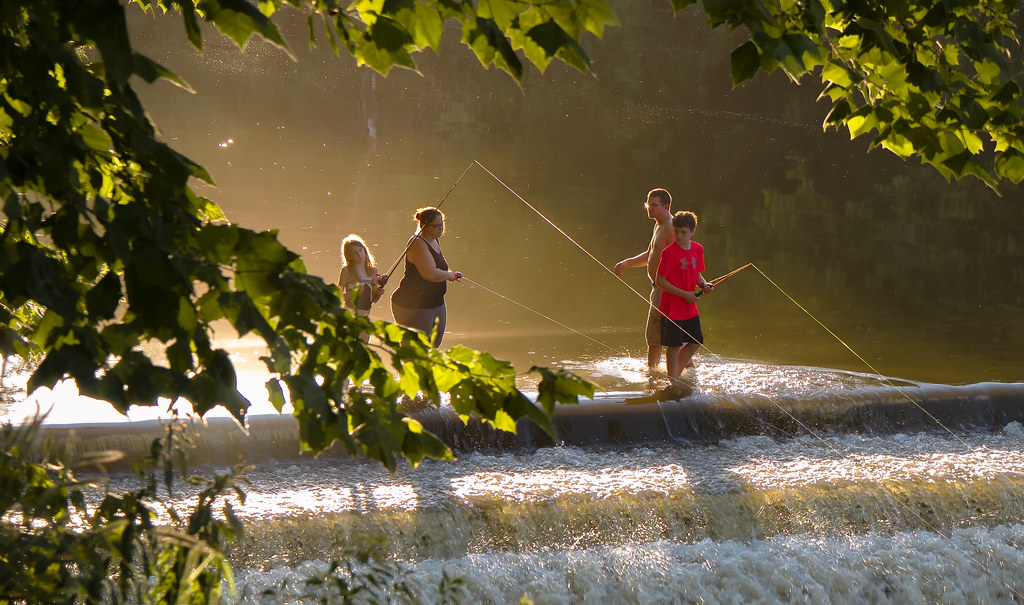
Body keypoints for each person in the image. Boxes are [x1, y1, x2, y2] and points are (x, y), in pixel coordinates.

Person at [613, 188, 675, 372]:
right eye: (648, 204)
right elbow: (650, 254)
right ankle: (654, 374)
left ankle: (656, 376)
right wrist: (627, 263)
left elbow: (682, 257)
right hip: (658, 289)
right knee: (657, 339)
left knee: (666, 339)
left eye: (654, 205)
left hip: (667, 291)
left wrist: (696, 284)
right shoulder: (658, 225)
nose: (650, 208)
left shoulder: (670, 227)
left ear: (666, 206)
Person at [390, 206, 461, 347]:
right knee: (416, 352)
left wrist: (451, 274)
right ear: (424, 226)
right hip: (414, 305)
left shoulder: (435, 240)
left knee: (432, 350)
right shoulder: (417, 243)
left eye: (442, 224)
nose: (441, 228)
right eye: (436, 226)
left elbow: (440, 266)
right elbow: (430, 273)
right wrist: (449, 275)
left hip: (436, 303)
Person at [655, 210, 712, 381]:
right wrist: (684, 294)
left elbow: (696, 275)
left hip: (689, 306)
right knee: (673, 345)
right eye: (677, 231)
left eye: (683, 232)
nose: (679, 236)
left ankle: (675, 375)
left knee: (696, 340)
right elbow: (660, 281)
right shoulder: (669, 253)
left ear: (692, 232)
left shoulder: (698, 249)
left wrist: (704, 285)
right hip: (672, 306)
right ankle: (672, 380)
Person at [338, 234, 387, 340]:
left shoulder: (373, 271)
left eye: (360, 250)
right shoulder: (346, 271)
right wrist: (351, 294)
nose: (359, 254)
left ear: (365, 251)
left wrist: (378, 293)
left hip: (365, 316)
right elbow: (337, 296)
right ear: (349, 256)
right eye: (355, 253)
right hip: (350, 315)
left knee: (363, 348)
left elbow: (374, 300)